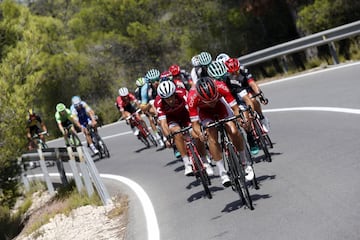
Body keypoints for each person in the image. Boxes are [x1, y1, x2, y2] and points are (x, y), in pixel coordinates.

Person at [187, 77, 254, 187]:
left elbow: (235, 109)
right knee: (211, 134)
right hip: (205, 113)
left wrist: (240, 119)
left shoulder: (221, 86)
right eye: (209, 101)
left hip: (221, 106)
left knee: (233, 130)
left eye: (213, 99)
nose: (212, 103)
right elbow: (195, 124)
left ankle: (245, 162)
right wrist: (200, 134)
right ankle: (222, 172)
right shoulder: (192, 97)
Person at [155, 80, 214, 176]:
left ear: (175, 93)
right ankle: (187, 163)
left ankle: (205, 161)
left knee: (196, 135)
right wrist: (168, 137)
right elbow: (163, 124)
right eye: (167, 99)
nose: (170, 100)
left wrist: (198, 127)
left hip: (186, 115)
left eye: (171, 97)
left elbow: (193, 111)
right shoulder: (159, 103)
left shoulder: (182, 93)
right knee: (176, 132)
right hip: (172, 119)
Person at [207, 60, 260, 155]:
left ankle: (250, 137)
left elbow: (246, 98)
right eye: (217, 79)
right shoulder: (208, 87)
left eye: (223, 77)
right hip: (219, 107)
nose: (221, 81)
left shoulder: (232, 82)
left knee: (245, 119)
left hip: (235, 103)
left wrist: (251, 112)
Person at [224, 57, 270, 132]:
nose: (235, 74)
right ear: (228, 72)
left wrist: (261, 96)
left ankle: (262, 117)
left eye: (236, 71)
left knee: (253, 99)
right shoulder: (227, 79)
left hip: (247, 88)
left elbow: (252, 83)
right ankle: (250, 135)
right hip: (237, 93)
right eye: (232, 73)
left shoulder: (244, 70)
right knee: (246, 122)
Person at [139, 69, 165, 147]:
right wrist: (149, 106)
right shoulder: (145, 88)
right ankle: (160, 135)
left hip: (164, 101)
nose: (156, 83)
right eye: (153, 81)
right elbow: (143, 107)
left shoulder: (164, 82)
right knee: (152, 105)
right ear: (149, 82)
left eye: (157, 80)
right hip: (152, 105)